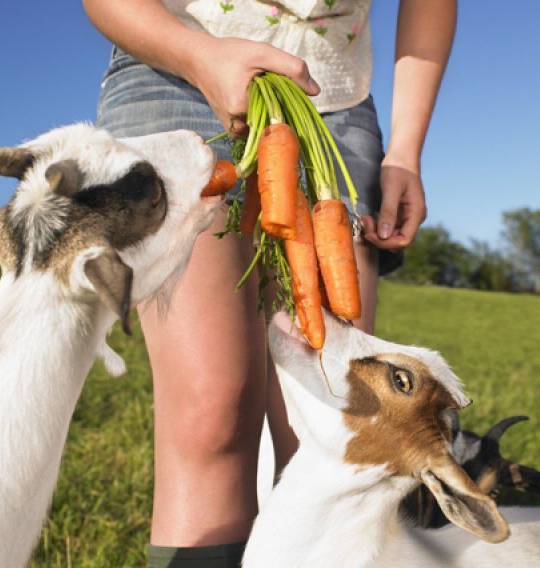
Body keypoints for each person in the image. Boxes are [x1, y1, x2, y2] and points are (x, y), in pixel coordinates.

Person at [82, 0, 456, 565]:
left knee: (326, 424)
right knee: (213, 410)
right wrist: (198, 53)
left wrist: (405, 151)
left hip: (334, 102)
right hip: (177, 67)